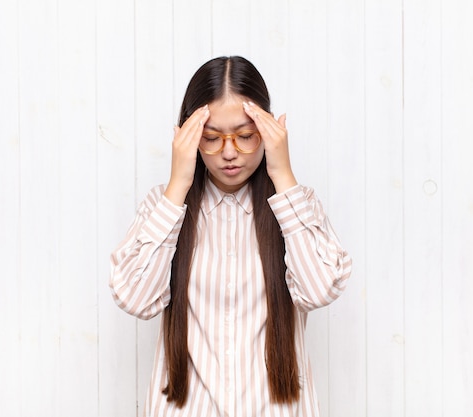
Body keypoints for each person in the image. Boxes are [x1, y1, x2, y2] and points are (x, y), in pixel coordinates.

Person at [109, 56, 352, 417]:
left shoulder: (299, 206)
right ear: (188, 137)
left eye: (245, 136)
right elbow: (135, 299)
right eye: (210, 138)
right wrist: (178, 184)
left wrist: (283, 174)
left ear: (267, 131)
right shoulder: (162, 205)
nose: (228, 152)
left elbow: (318, 290)